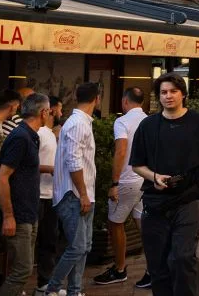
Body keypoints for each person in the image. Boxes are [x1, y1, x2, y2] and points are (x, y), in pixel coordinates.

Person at [129, 72, 199, 296]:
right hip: (154, 203)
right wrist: (154, 177)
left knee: (182, 257)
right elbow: (136, 165)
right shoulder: (148, 125)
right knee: (157, 264)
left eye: (173, 91)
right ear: (158, 97)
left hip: (187, 199)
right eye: (163, 92)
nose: (168, 96)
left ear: (183, 94)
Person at [44, 83, 100, 296]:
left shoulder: (81, 122)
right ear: (97, 98)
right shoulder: (78, 124)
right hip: (74, 195)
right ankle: (52, 289)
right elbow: (73, 161)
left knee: (84, 246)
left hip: (81, 194)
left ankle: (75, 290)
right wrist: (83, 194)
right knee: (77, 247)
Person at [93, 87, 150, 287]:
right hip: (145, 179)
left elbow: (121, 150)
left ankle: (119, 269)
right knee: (142, 224)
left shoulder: (122, 121)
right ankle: (154, 268)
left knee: (115, 223)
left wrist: (114, 183)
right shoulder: (149, 120)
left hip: (127, 179)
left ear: (125, 101)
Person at [0, 93, 49, 296]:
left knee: (21, 268)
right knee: (22, 270)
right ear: (43, 113)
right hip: (17, 216)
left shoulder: (30, 136)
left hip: (28, 213)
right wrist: (8, 216)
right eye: (49, 111)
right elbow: (1, 178)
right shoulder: (20, 137)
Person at [35, 94, 58, 294]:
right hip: (37, 195)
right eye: (59, 109)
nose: (60, 113)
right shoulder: (40, 133)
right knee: (32, 242)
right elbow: (28, 164)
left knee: (49, 240)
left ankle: (45, 282)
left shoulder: (50, 133)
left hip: (51, 195)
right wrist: (50, 169)